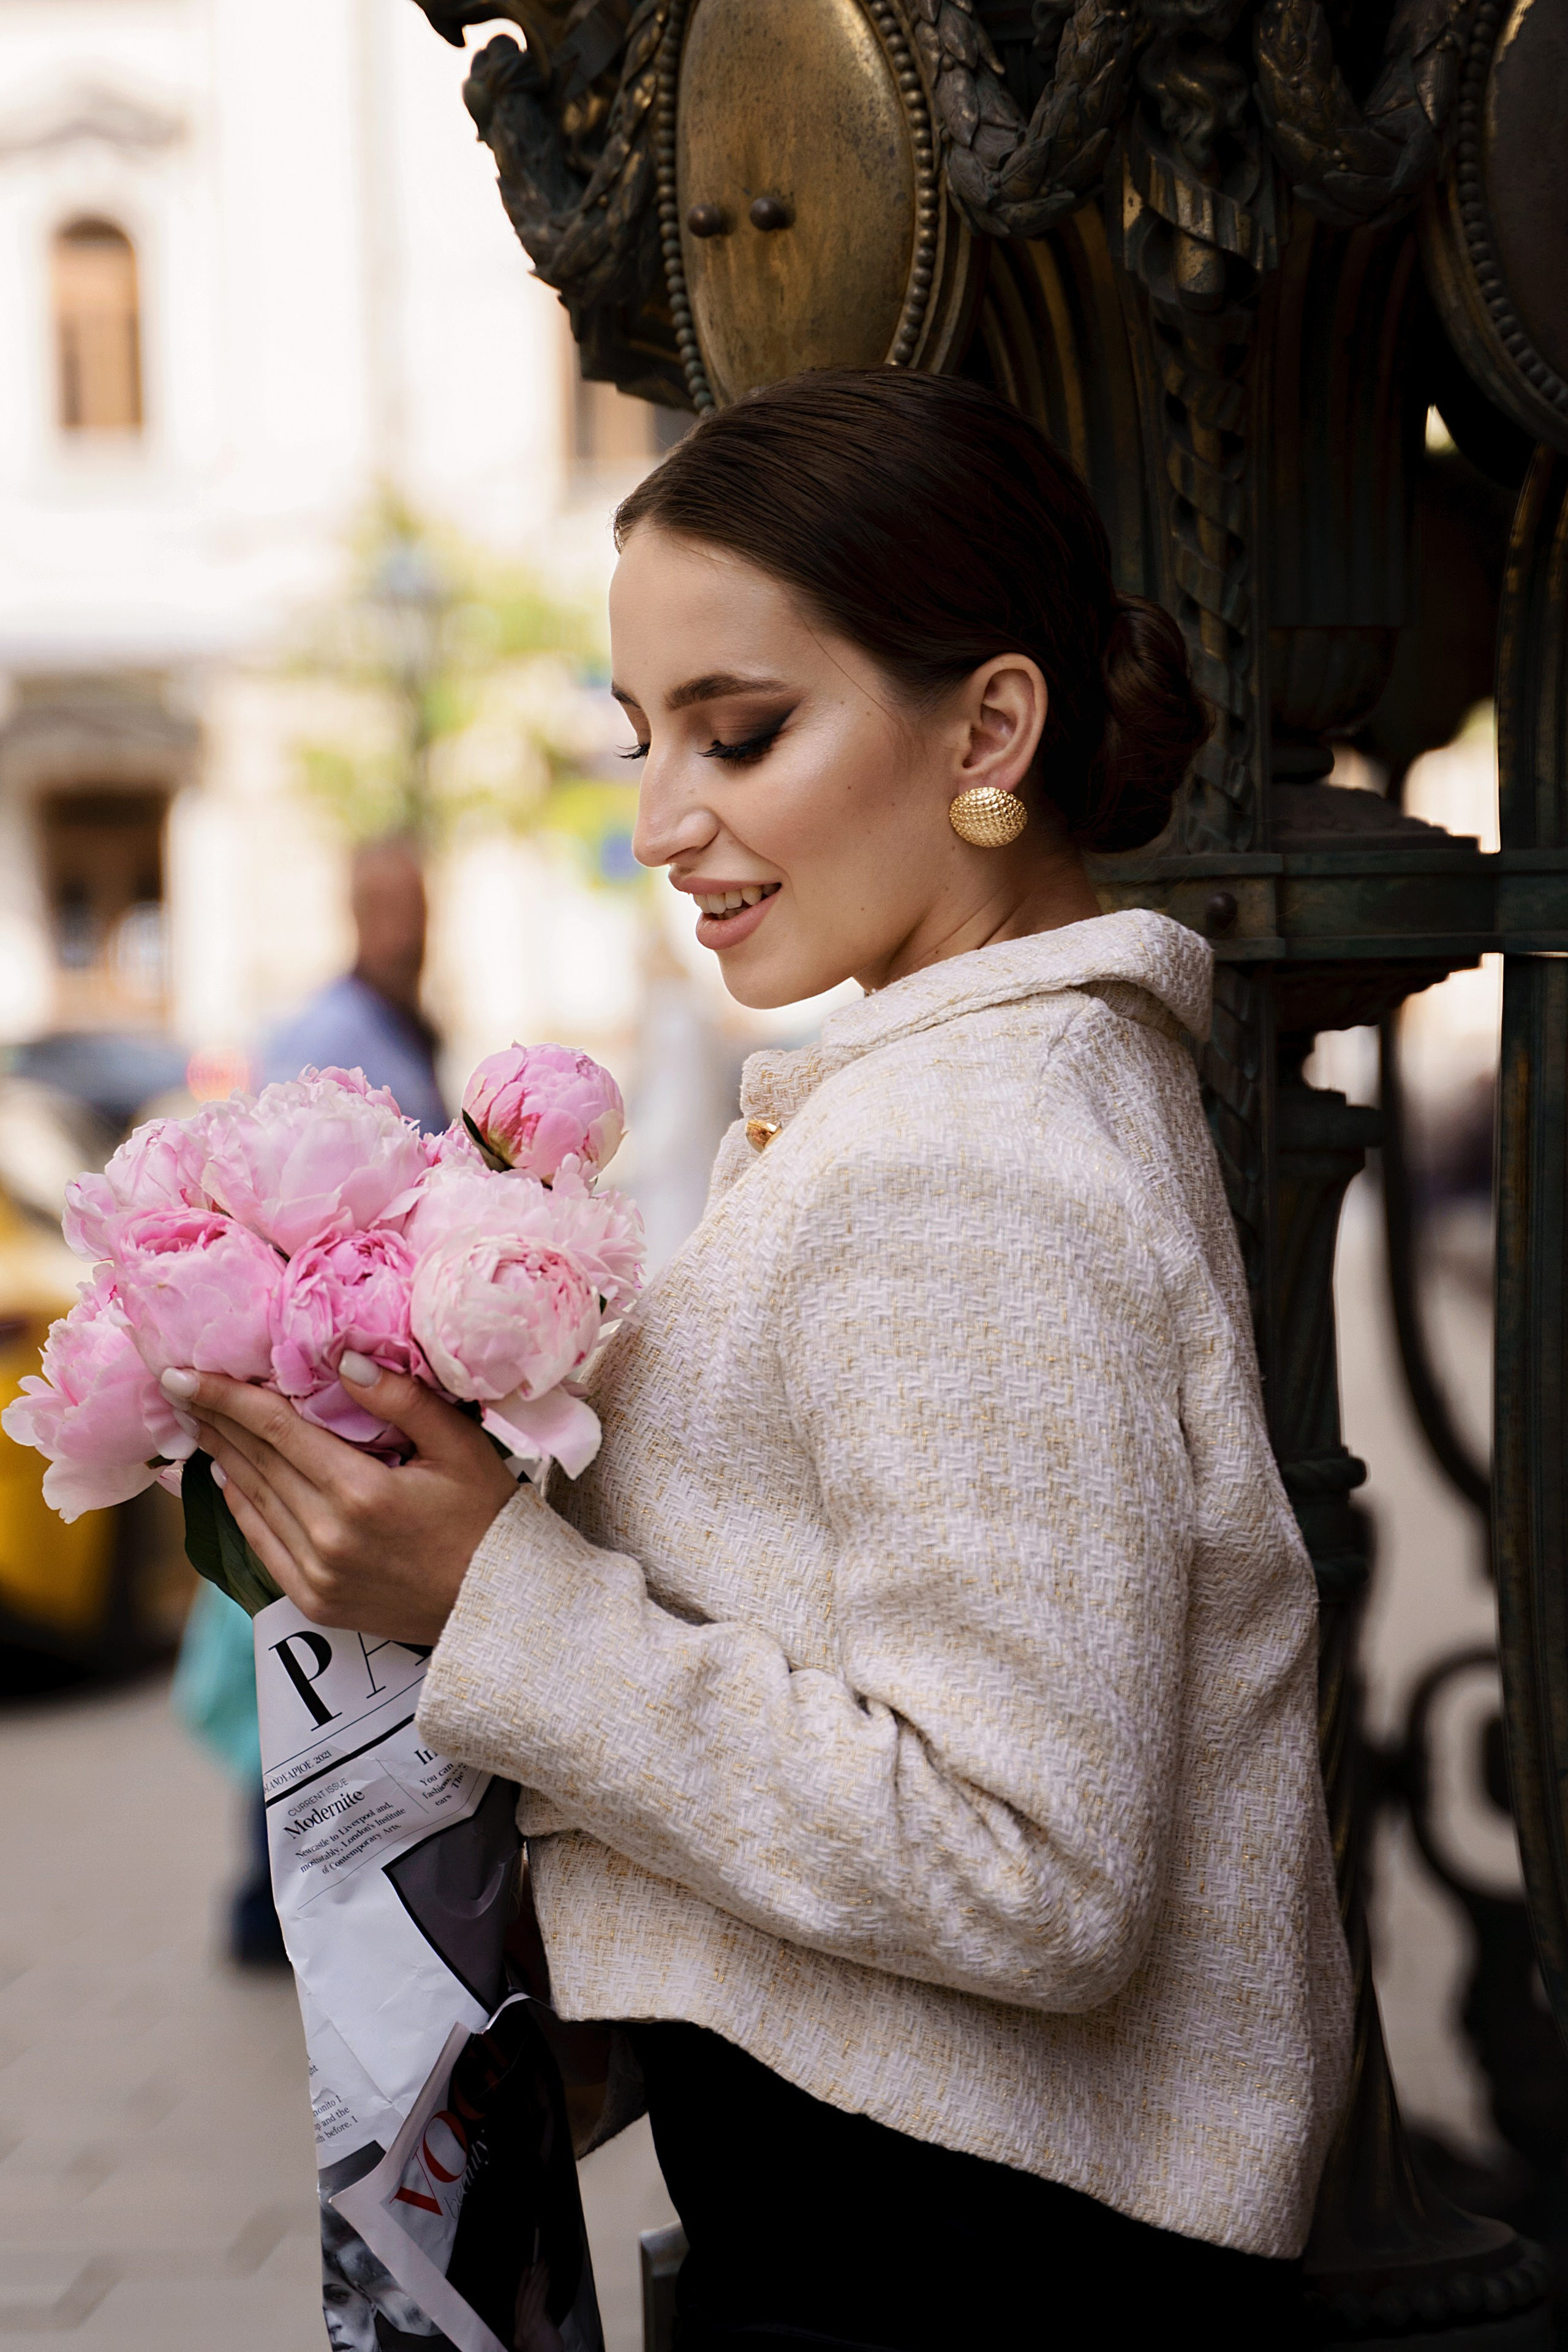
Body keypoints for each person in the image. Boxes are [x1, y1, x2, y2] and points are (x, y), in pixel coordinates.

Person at [167, 370, 1351, 2347]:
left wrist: (494, 1598)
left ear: (990, 725)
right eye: (646, 741)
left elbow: (1033, 1868)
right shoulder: (971, 1090)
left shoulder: (971, 1154)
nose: (661, 824)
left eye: (744, 731)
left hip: (976, 2267)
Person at [261, 834, 447, 1132]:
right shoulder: (323, 1036)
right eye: (389, 910)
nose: (406, 934)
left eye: (417, 910)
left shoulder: (407, 1025)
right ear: (357, 916)